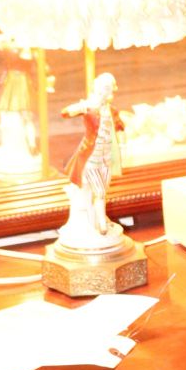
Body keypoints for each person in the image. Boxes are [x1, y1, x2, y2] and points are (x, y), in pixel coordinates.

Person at [57, 72, 125, 251]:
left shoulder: (111, 111)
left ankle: (99, 220)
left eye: (109, 88)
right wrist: (79, 107)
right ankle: (101, 224)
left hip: (106, 159)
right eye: (103, 88)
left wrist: (122, 144)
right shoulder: (89, 107)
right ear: (96, 87)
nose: (105, 92)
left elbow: (120, 128)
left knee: (102, 191)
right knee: (99, 191)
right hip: (91, 158)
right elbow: (65, 112)